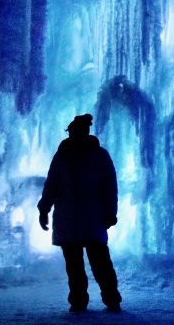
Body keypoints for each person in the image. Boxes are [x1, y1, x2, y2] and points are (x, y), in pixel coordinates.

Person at [38, 113, 122, 313]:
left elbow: (109, 186)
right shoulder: (63, 156)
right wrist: (44, 209)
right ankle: (79, 300)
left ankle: (110, 298)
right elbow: (51, 185)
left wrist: (110, 212)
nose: (75, 134)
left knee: (99, 262)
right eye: (73, 131)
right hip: (72, 217)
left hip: (91, 216)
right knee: (75, 266)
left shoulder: (99, 156)